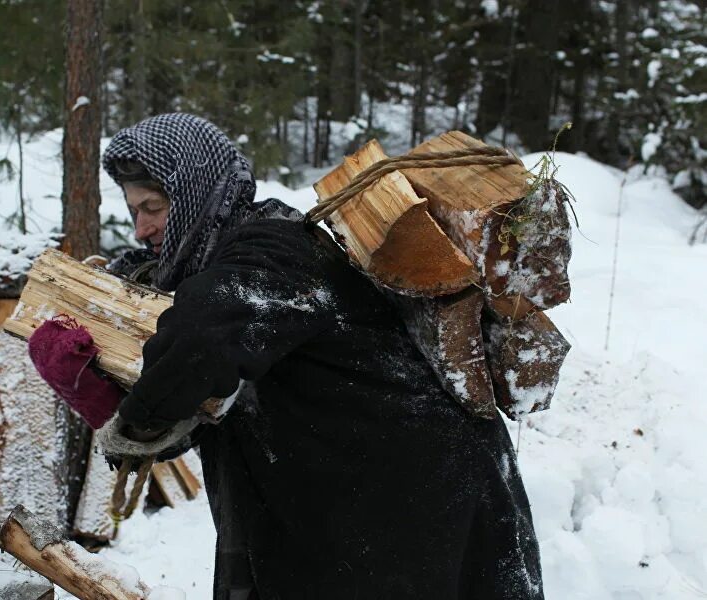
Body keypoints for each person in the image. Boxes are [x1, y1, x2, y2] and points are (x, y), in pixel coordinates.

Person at [49, 113, 544, 599]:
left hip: (414, 522)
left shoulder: (274, 250)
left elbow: (195, 352)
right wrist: (104, 378)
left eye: (153, 206)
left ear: (195, 191)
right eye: (134, 210)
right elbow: (203, 403)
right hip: (362, 521)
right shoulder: (241, 265)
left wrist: (124, 425)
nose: (141, 229)